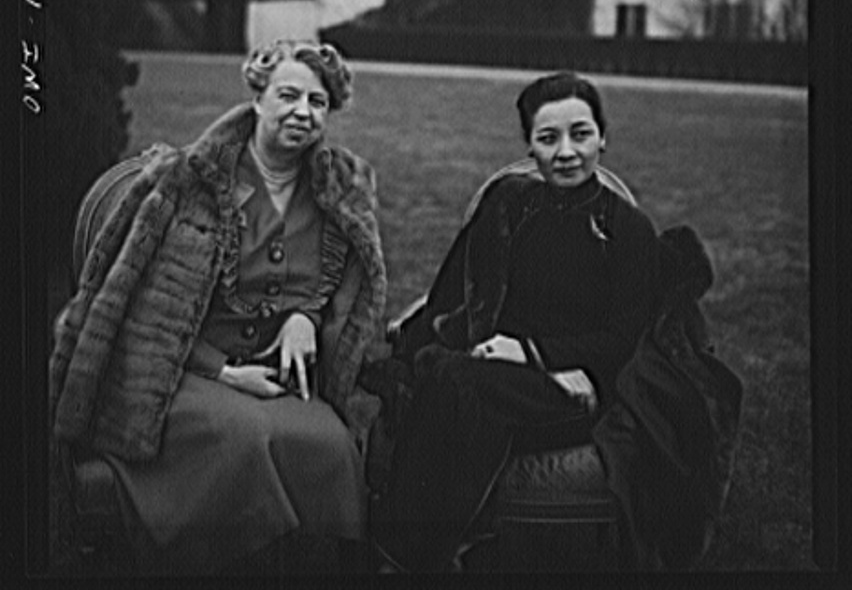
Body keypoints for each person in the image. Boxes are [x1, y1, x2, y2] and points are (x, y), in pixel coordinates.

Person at [49, 40, 387, 575]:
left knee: (328, 445)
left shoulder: (335, 190)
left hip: (277, 375)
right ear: (258, 99)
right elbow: (143, 313)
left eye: (318, 102)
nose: (303, 111)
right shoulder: (187, 182)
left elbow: (335, 287)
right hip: (184, 371)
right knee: (245, 440)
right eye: (289, 95)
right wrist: (226, 373)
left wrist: (306, 318)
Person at [370, 70, 663, 572]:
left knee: (454, 377)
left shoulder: (627, 229)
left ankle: (407, 554)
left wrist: (532, 353)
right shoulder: (510, 203)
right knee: (440, 366)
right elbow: (453, 293)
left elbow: (624, 337)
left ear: (603, 137)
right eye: (548, 138)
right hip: (493, 369)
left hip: (574, 387)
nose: (566, 151)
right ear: (530, 146)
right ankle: (434, 547)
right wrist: (438, 340)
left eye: (581, 133)